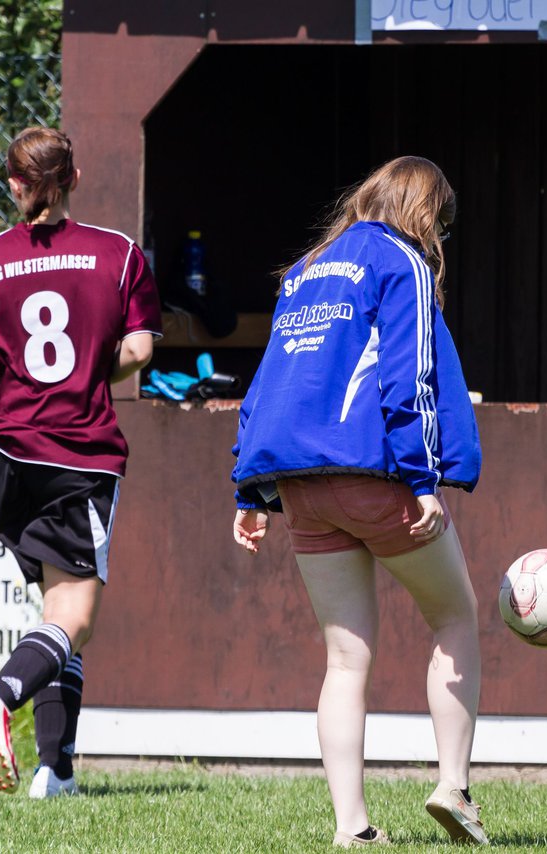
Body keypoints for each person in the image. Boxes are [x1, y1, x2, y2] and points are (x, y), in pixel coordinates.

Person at [231, 156, 486, 847]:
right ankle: (453, 787)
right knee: (456, 618)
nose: (441, 238)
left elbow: (269, 384)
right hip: (377, 477)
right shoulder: (400, 261)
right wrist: (424, 480)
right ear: (425, 211)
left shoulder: (306, 270)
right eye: (443, 222)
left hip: (300, 489)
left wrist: (248, 489)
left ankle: (353, 830)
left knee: (345, 661)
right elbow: (409, 381)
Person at [0, 126, 161, 798]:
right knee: (75, 615)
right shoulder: (120, 255)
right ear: (73, 180)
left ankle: (57, 771)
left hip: (1, 454)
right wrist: (86, 374)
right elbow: (140, 350)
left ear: (16, 184)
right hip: (75, 451)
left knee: (54, 611)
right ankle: (1, 696)